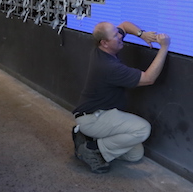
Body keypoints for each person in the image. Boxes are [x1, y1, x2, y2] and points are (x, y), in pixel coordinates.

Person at [71, 21, 170, 174]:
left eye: (118, 33)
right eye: (115, 35)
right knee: (142, 129)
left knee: (135, 155)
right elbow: (149, 78)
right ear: (104, 43)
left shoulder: (102, 49)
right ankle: (91, 148)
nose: (120, 36)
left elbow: (124, 25)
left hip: (102, 114)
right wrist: (164, 47)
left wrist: (142, 35)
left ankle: (87, 137)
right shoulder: (108, 67)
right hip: (93, 118)